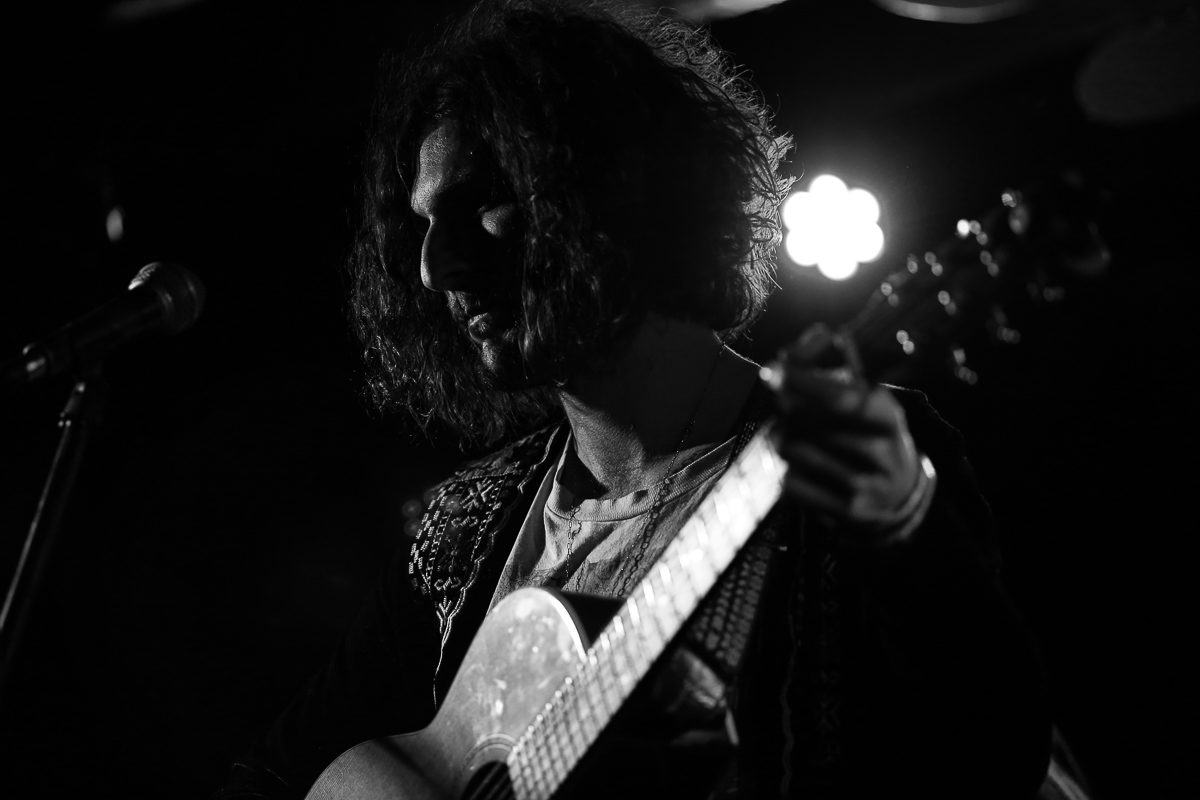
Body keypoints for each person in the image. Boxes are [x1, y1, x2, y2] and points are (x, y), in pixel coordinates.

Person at [214, 1, 1050, 797]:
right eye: (426, 224)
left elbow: (995, 758)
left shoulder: (868, 448)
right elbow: (275, 776)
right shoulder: (468, 530)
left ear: (614, 186)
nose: (436, 267)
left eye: (482, 201)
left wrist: (903, 528)